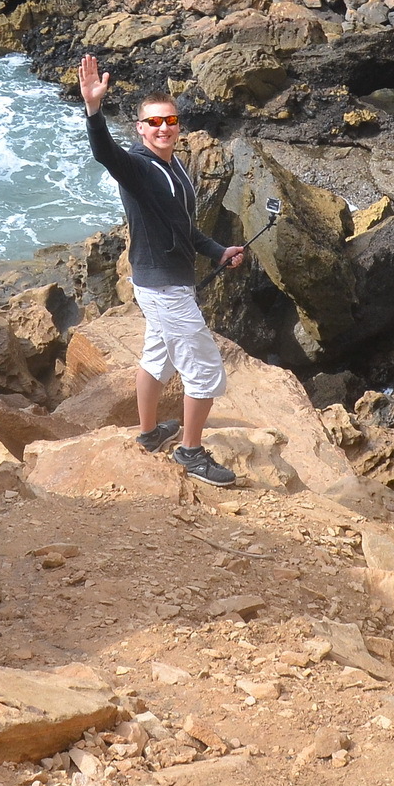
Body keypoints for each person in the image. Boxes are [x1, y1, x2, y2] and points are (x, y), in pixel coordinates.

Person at [77, 54, 246, 487]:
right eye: (154, 122)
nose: (163, 128)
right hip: (163, 286)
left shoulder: (175, 166)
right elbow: (104, 153)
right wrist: (94, 110)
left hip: (168, 282)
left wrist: (217, 251)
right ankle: (190, 453)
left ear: (178, 124)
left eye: (169, 120)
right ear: (140, 128)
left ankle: (149, 433)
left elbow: (183, 227)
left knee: (156, 358)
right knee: (207, 370)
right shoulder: (136, 166)